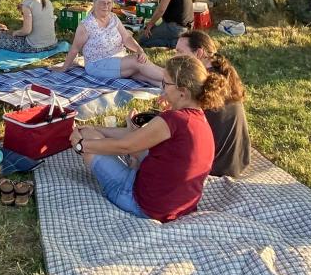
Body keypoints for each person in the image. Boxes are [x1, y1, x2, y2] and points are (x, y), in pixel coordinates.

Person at [69, 54, 226, 221]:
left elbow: (125, 146)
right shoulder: (198, 119)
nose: (162, 88)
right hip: (178, 207)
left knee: (87, 137)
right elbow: (134, 138)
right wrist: (95, 128)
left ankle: (126, 165)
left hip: (141, 204)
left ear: (183, 92)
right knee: (95, 133)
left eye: (165, 83)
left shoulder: (174, 120)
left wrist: (81, 145)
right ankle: (132, 163)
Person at [176, 30, 250, 178]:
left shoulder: (202, 83)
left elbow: (178, 125)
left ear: (199, 53)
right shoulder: (222, 74)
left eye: (179, 52)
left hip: (214, 168)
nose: (175, 57)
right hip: (239, 160)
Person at [56, 0, 165, 83]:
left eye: (109, 3)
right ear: (94, 4)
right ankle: (171, 79)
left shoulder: (113, 18)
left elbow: (126, 38)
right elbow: (75, 48)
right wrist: (64, 67)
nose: (106, 6)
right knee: (137, 61)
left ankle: (165, 85)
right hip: (97, 64)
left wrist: (139, 50)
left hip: (119, 57)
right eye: (102, 3)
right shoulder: (86, 25)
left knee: (139, 68)